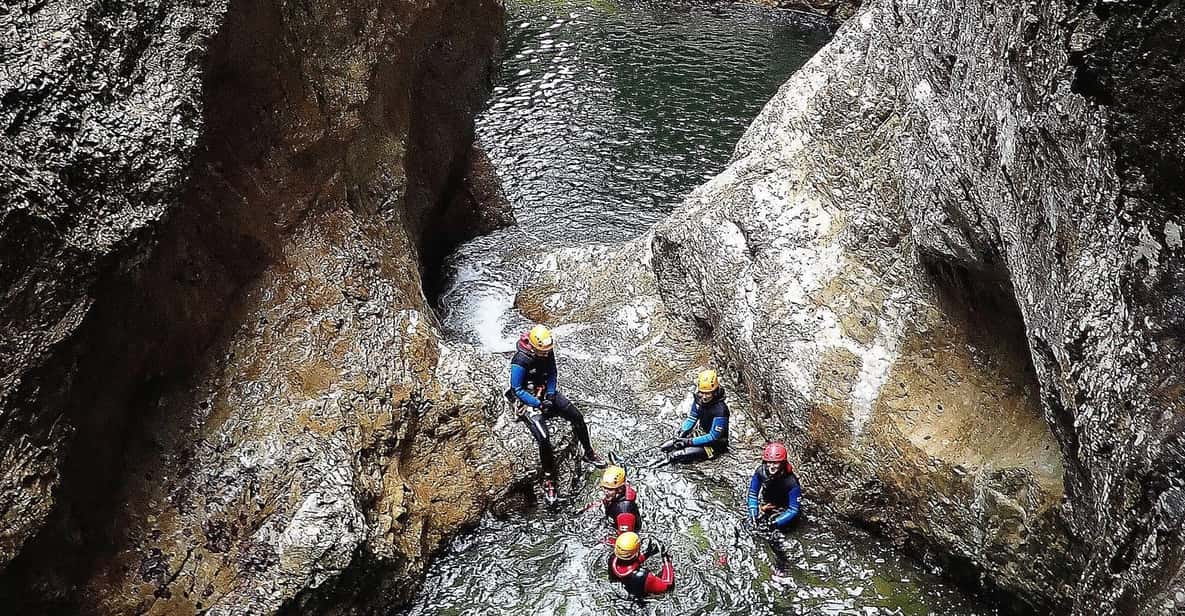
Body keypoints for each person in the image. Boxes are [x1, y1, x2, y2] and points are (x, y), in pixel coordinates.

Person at [507, 324, 607, 501]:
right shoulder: (520, 360)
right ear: (534, 347)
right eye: (543, 352)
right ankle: (549, 479)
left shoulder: (547, 351)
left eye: (548, 351)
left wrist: (551, 394)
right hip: (528, 397)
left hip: (544, 390)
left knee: (577, 417)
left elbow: (552, 372)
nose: (546, 354)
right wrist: (537, 403)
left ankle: (589, 452)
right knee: (544, 437)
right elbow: (517, 389)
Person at [661, 369, 729, 464]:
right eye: (702, 392)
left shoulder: (721, 410)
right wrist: (682, 433)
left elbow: (713, 436)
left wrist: (688, 442)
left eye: (708, 393)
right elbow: (692, 417)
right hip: (700, 434)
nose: (704, 397)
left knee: (676, 456)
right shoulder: (698, 399)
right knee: (665, 447)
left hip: (714, 445)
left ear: (715, 392)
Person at [746, 442, 801, 530]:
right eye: (769, 462)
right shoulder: (760, 471)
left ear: (782, 463)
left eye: (775, 463)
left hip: (784, 507)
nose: (771, 466)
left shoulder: (792, 482)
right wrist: (753, 512)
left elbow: (793, 509)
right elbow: (753, 494)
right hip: (767, 502)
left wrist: (775, 523)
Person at [608, 532, 674, 596]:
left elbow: (629, 562)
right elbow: (668, 586)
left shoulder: (613, 559)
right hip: (640, 597)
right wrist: (666, 559)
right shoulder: (643, 577)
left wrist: (647, 554)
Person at [600, 466, 641, 536]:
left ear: (620, 489)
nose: (605, 492)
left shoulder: (624, 513)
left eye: (610, 489)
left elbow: (624, 537)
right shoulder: (616, 494)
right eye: (604, 488)